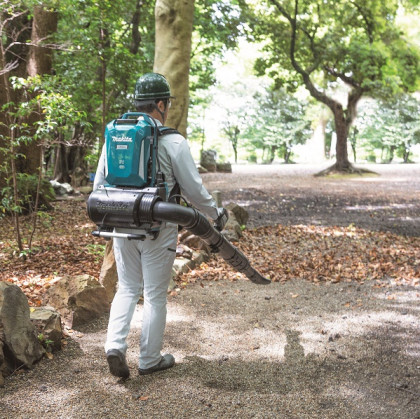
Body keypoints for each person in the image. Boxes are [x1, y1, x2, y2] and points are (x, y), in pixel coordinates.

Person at [93, 72, 228, 379]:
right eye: (166, 102)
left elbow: (100, 183)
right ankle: (149, 359)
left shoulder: (116, 135)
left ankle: (114, 346)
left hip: (121, 223)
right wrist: (215, 213)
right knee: (154, 295)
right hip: (160, 226)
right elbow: (194, 190)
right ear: (160, 104)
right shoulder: (173, 140)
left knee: (126, 287)